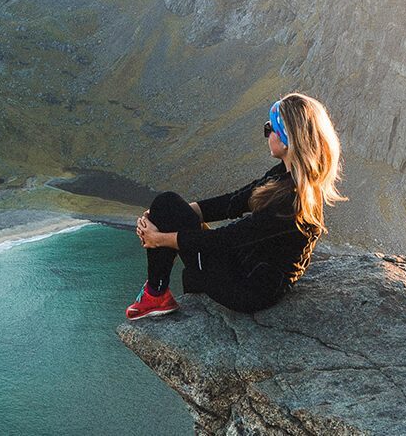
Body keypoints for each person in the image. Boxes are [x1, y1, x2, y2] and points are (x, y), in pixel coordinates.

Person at [126, 93, 346, 319]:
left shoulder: (290, 201)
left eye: (269, 129)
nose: (267, 134)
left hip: (249, 290)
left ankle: (156, 294)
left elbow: (226, 240)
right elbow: (234, 202)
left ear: (285, 139)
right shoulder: (285, 176)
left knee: (169, 211)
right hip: (245, 266)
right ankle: (156, 294)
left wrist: (159, 238)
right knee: (167, 203)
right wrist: (170, 214)